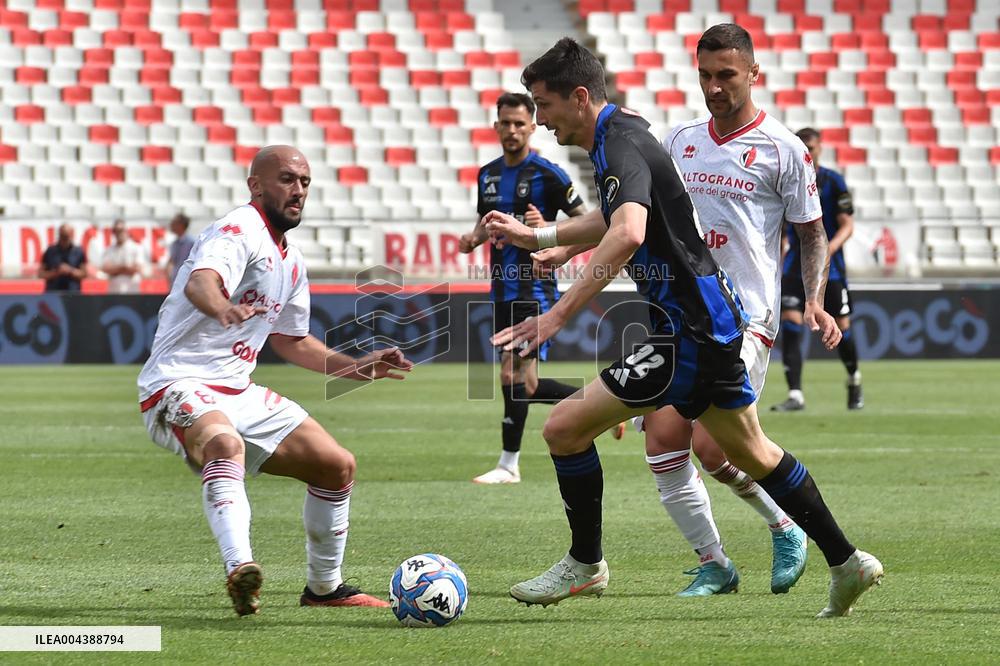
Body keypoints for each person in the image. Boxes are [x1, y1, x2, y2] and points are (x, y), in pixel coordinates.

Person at [484, 37, 882, 618]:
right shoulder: (635, 134)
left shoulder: (621, 143)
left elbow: (627, 235)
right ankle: (846, 561)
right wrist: (541, 238)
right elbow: (621, 217)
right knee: (750, 451)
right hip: (705, 326)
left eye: (543, 106)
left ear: (577, 97)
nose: (541, 120)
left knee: (568, 429)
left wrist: (556, 314)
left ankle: (587, 565)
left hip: (692, 333)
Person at [137, 145, 413, 616]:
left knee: (336, 465)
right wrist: (223, 306)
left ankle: (324, 590)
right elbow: (200, 282)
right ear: (256, 185)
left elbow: (292, 342)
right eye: (287, 179)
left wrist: (360, 366)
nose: (298, 191)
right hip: (178, 382)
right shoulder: (236, 230)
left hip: (237, 389)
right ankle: (240, 568)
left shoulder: (291, 260)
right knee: (226, 446)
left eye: (304, 182)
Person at [458, 92, 622, 486]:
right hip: (501, 288)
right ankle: (613, 404)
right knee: (523, 383)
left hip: (535, 288)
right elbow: (487, 220)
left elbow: (591, 221)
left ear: (532, 126)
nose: (512, 130)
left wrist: (545, 224)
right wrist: (474, 238)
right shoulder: (488, 174)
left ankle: (508, 464)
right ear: (496, 126)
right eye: (505, 123)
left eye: (519, 123)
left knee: (512, 374)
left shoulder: (549, 174)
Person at [772, 127, 863, 411]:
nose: (808, 153)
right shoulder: (786, 177)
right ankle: (796, 393)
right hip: (793, 268)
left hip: (830, 269)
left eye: (812, 148)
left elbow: (847, 224)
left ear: (820, 148)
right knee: (790, 323)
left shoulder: (833, 181)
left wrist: (828, 249)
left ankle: (853, 377)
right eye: (804, 148)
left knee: (842, 328)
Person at [102, 219, 147, 294]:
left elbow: (137, 268)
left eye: (121, 230)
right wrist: (125, 267)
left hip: (132, 291)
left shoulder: (136, 247)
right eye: (116, 231)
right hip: (114, 291)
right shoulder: (109, 250)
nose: (119, 233)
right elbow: (106, 268)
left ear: (126, 231)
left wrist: (115, 270)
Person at [38, 224, 87, 292]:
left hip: (73, 293)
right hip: (53, 292)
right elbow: (41, 274)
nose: (64, 239)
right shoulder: (50, 251)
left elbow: (84, 274)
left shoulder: (78, 251)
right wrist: (56, 273)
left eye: (66, 237)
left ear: (71, 235)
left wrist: (70, 271)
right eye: (62, 236)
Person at [167, 213, 196, 287]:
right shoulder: (175, 243)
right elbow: (172, 261)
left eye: (174, 223)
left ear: (181, 225)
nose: (171, 225)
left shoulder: (192, 242)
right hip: (177, 281)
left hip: (187, 282)